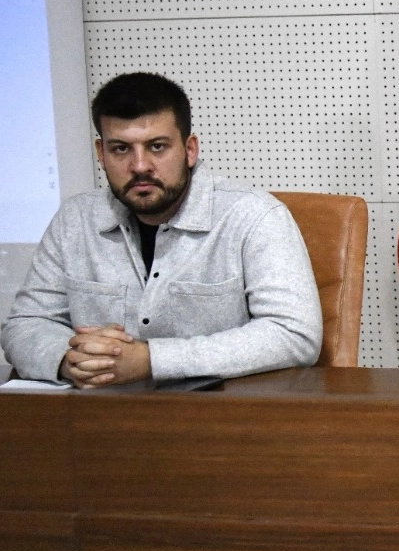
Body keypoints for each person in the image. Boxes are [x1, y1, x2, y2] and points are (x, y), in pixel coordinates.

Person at [2, 73, 323, 387]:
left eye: (157, 147)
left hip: (219, 416)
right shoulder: (75, 220)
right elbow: (25, 324)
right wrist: (69, 360)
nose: (140, 165)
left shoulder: (253, 216)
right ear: (101, 153)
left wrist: (152, 360)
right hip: (98, 414)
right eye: (121, 149)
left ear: (190, 149)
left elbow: (294, 334)